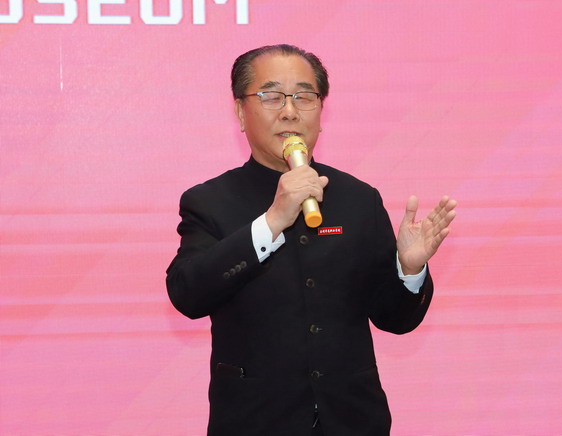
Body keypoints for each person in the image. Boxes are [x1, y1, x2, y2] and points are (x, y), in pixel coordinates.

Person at [166, 44, 457, 436]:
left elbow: (395, 319)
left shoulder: (359, 199)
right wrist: (272, 221)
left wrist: (409, 269)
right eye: (271, 96)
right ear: (240, 111)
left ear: (321, 111)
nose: (290, 111)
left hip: (354, 422)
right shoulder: (210, 202)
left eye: (304, 97)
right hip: (254, 422)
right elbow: (188, 294)